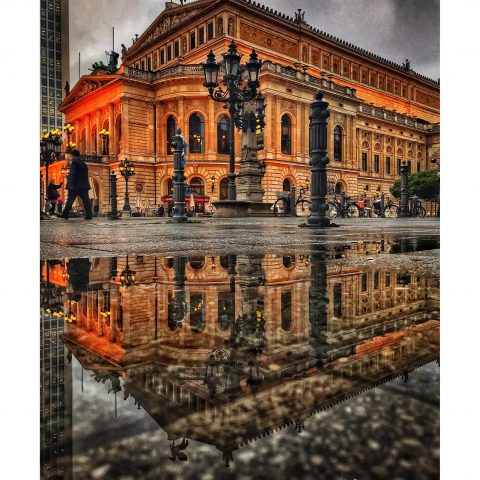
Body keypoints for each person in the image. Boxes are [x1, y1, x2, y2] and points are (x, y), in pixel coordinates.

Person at [60, 150, 93, 220]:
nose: (71, 157)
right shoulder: (83, 163)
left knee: (70, 200)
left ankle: (65, 214)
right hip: (83, 186)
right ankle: (89, 215)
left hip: (75, 186)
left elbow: (73, 174)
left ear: (74, 156)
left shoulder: (74, 163)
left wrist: (69, 181)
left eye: (71, 156)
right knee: (86, 201)